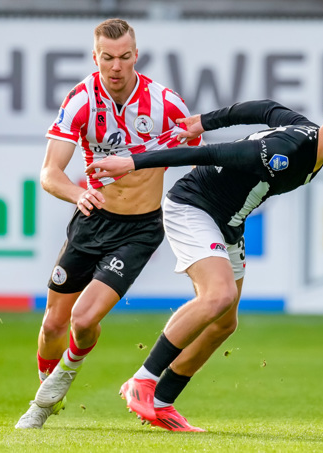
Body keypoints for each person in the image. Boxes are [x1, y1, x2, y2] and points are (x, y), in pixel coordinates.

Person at [86, 85, 323, 432]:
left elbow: (265, 109)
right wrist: (131, 163)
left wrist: (203, 122)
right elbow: (212, 154)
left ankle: (162, 401)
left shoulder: (314, 142)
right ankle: (142, 380)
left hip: (229, 222)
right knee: (218, 295)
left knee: (224, 323)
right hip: (193, 207)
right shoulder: (286, 151)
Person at [15, 18, 201, 429]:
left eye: (124, 57)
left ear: (136, 55)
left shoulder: (166, 103)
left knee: (84, 319)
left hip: (139, 229)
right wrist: (76, 194)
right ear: (94, 56)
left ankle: (48, 396)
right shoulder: (81, 100)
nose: (116, 66)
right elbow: (50, 174)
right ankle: (49, 383)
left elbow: (198, 158)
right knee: (53, 324)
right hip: (92, 220)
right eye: (107, 58)